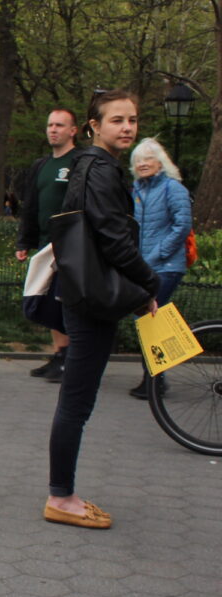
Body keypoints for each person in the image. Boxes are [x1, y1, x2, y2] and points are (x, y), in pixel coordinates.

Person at [43, 90, 159, 530]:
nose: (127, 127)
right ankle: (62, 497)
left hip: (84, 290)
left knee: (77, 397)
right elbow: (112, 236)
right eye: (116, 120)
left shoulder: (92, 166)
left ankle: (63, 492)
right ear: (94, 125)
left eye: (132, 119)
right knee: (76, 400)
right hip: (91, 296)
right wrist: (148, 281)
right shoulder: (100, 169)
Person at [127, 136, 192, 399]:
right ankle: (154, 377)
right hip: (144, 265)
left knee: (148, 317)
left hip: (166, 266)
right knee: (149, 318)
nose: (143, 164)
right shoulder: (136, 190)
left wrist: (157, 253)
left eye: (148, 159)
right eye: (138, 160)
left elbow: (182, 226)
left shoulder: (173, 189)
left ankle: (156, 379)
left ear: (160, 162)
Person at [16, 108, 78, 382]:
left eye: (60, 125)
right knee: (43, 300)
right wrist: (25, 240)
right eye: (50, 125)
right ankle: (59, 354)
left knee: (61, 301)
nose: (53, 129)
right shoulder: (41, 165)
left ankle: (70, 357)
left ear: (73, 130)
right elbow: (31, 205)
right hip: (43, 245)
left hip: (69, 246)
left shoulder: (79, 161)